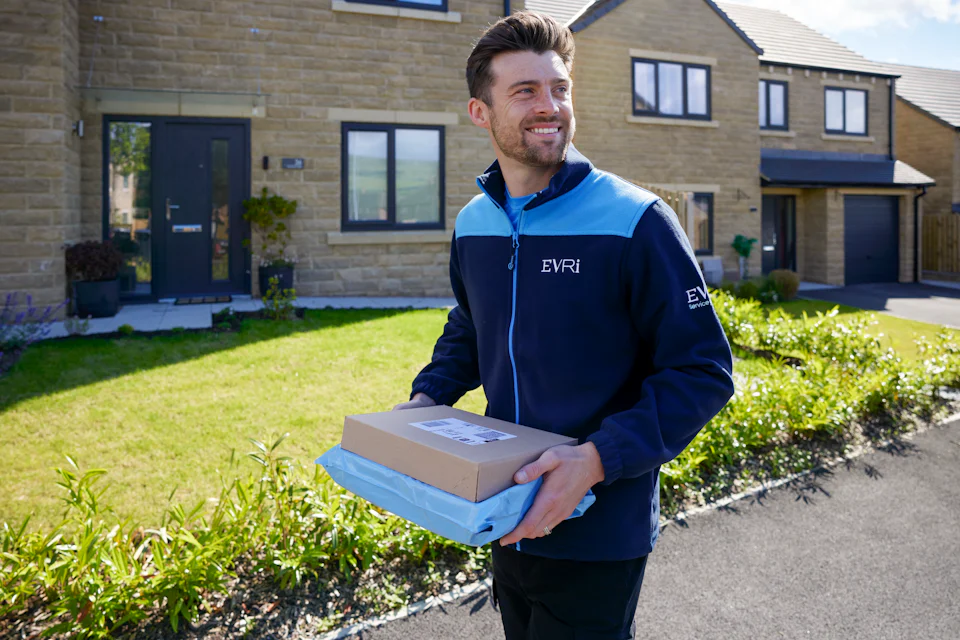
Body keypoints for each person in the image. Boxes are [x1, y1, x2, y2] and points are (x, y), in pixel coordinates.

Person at [393, 11, 734, 639]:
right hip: (501, 510)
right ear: (480, 112)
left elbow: (703, 370)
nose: (549, 106)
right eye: (525, 91)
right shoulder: (475, 222)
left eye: (559, 88)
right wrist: (428, 397)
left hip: (598, 526)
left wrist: (597, 459)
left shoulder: (636, 219)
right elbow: (472, 323)